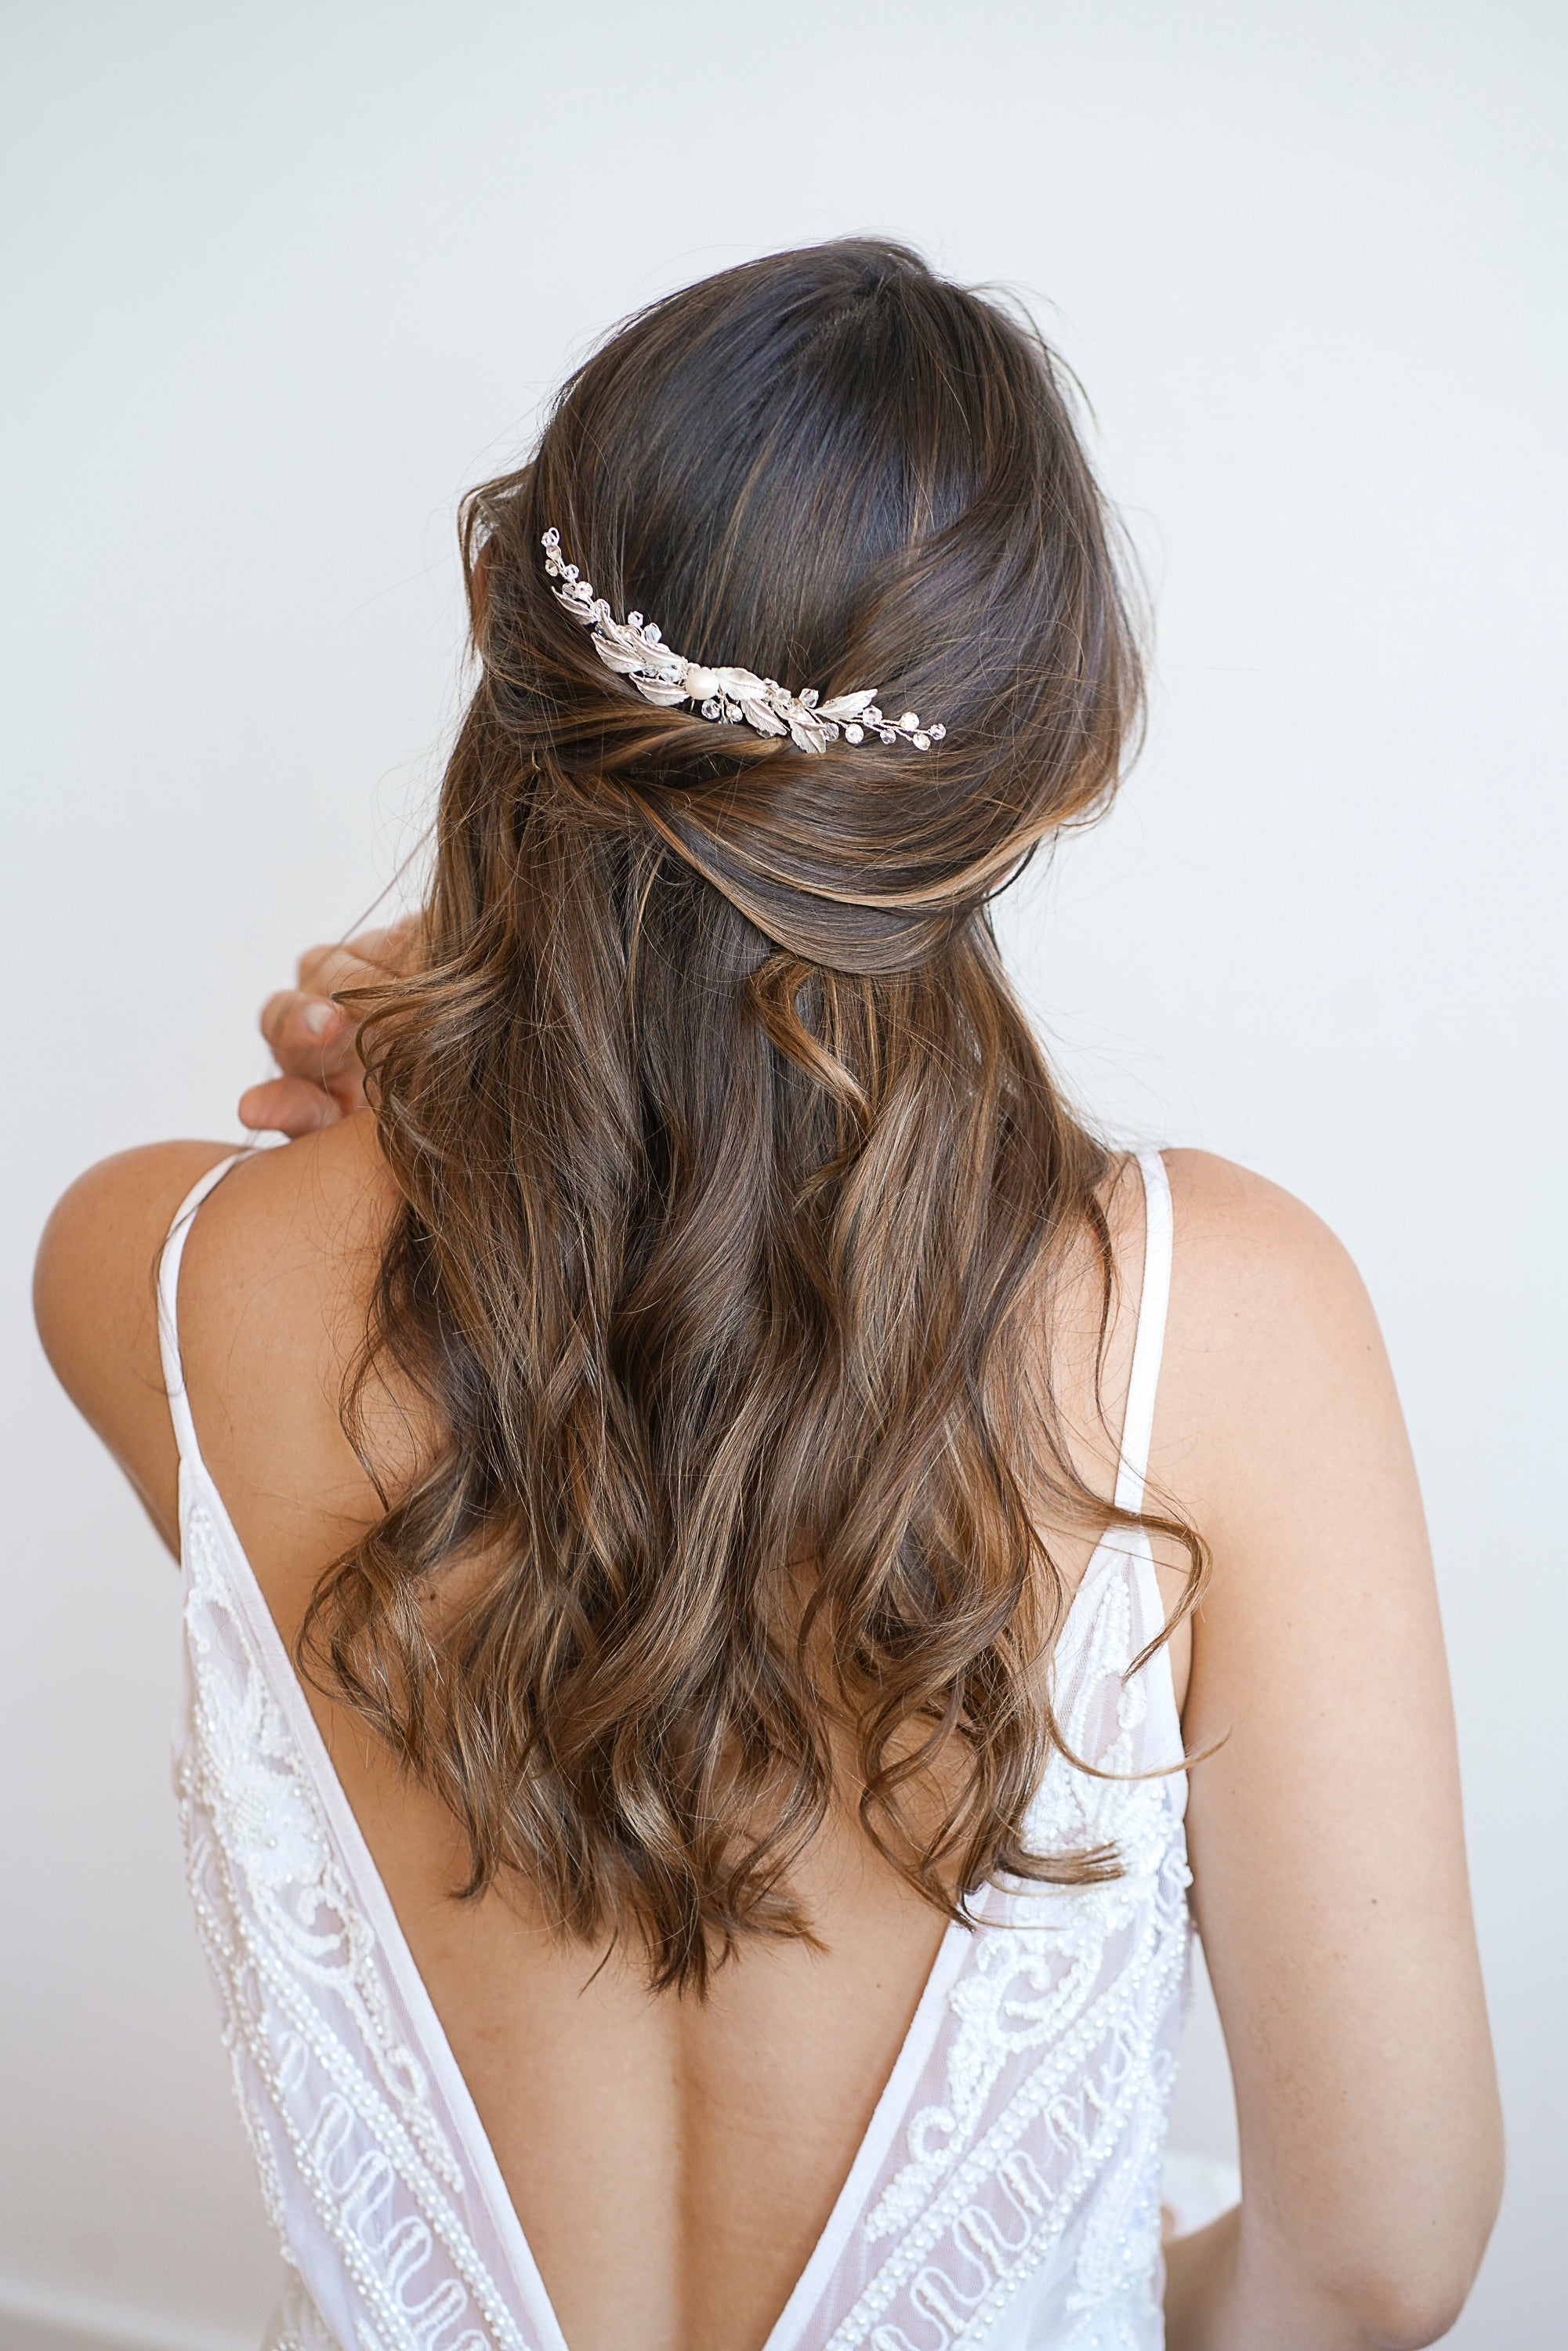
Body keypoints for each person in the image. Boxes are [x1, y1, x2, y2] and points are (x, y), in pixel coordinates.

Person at [34, 241, 1500, 2351]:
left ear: (503, 638)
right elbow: (1370, 2268)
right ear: (1052, 779)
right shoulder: (1222, 1330)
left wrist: (481, 996)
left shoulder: (143, 1272)